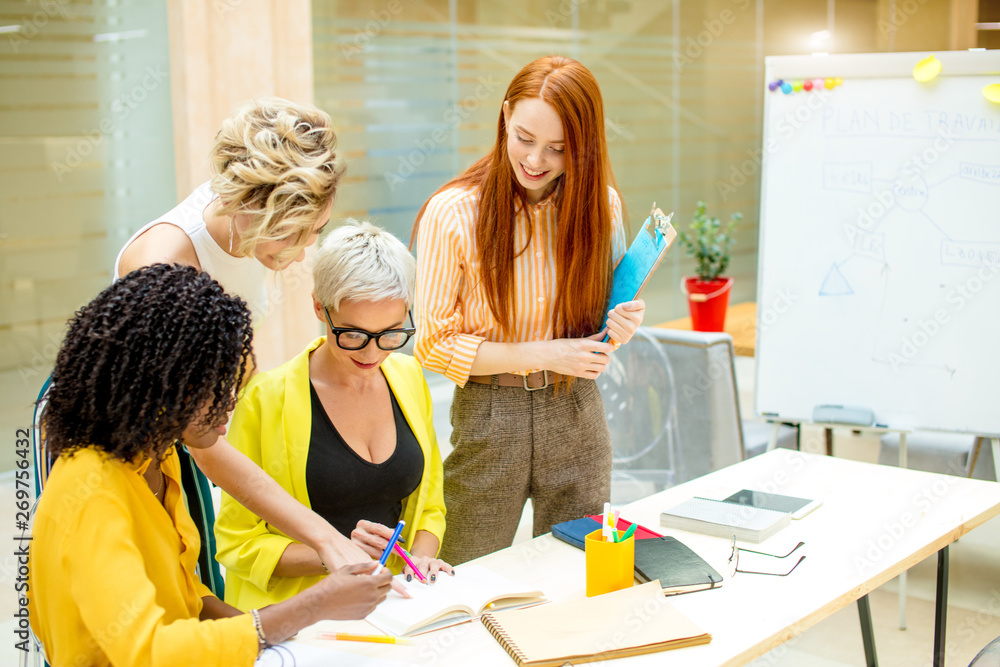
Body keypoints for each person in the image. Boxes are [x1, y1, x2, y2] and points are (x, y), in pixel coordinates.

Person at [28, 263, 393, 667]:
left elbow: (188, 598)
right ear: (162, 386)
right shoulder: (92, 490)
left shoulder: (158, 456)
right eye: (216, 389)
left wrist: (286, 645)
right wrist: (312, 605)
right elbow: (149, 652)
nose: (230, 403)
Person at [113, 97, 377, 577]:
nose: (302, 256)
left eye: (315, 232)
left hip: (183, 430)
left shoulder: (242, 217)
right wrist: (325, 538)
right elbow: (206, 446)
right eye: (295, 235)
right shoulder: (168, 266)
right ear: (253, 207)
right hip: (120, 440)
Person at [413, 55, 645, 564]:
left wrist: (621, 325)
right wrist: (547, 354)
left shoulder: (598, 207)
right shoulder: (453, 213)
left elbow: (602, 320)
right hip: (491, 414)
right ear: (503, 117)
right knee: (463, 569)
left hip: (577, 408)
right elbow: (432, 346)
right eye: (524, 138)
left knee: (582, 571)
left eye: (558, 149)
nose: (536, 160)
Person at [216, 221, 450, 610]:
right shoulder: (266, 398)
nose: (372, 354)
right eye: (354, 335)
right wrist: (334, 552)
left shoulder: (407, 376)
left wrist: (421, 561)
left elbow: (429, 505)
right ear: (318, 308)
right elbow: (237, 540)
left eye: (391, 333)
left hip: (394, 605)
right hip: (297, 616)